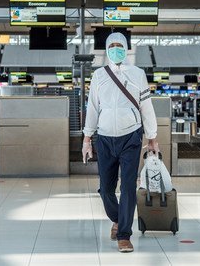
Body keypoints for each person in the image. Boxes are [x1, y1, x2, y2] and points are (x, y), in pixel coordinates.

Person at [82, 32, 159, 253]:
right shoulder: (99, 75)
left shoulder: (138, 74)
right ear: (106, 49)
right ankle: (118, 218)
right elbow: (93, 108)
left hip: (131, 137)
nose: (116, 48)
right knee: (105, 189)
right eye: (112, 45)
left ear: (126, 48)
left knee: (127, 187)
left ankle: (124, 235)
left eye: (120, 45)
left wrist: (152, 137)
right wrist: (87, 139)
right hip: (105, 137)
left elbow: (146, 106)